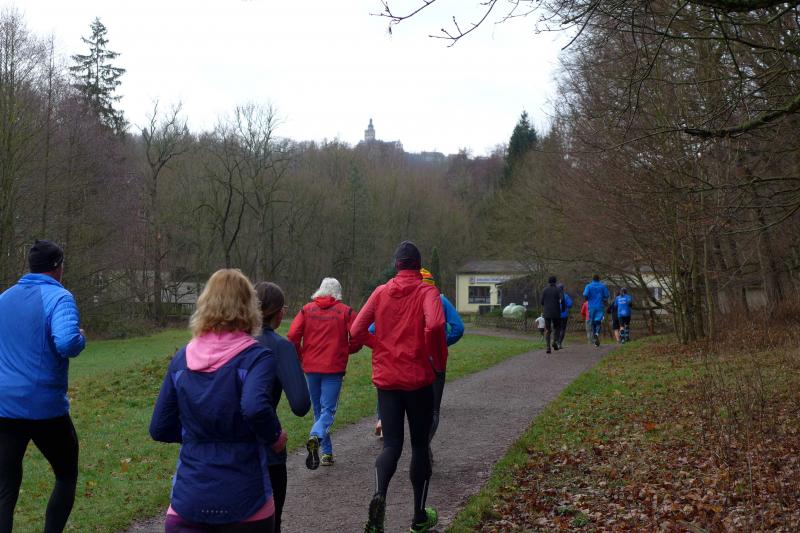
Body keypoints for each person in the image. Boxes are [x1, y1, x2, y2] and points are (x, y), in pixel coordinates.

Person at [150, 269, 285, 533]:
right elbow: (255, 407)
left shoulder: (182, 358)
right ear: (250, 307)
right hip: (246, 502)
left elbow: (159, 427)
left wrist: (199, 434)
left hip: (188, 502)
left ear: (204, 304)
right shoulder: (257, 358)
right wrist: (275, 438)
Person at [351, 241, 446, 533]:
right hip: (418, 380)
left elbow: (355, 330)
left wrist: (379, 344)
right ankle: (418, 517)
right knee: (419, 445)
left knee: (392, 445)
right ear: (418, 266)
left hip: (388, 381)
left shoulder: (380, 292)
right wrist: (434, 356)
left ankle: (379, 497)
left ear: (397, 265)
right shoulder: (427, 292)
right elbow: (436, 325)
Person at [0, 240, 86, 533]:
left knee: (5, 488)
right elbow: (67, 343)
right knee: (66, 475)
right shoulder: (59, 297)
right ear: (58, 267)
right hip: (45, 408)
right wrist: (80, 337)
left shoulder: (4, 298)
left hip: (4, 407)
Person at [254, 281, 311, 533]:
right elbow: (300, 404)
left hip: (221, 451)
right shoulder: (279, 347)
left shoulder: (226, 341)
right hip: (267, 449)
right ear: (278, 313)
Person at [288, 277, 362, 469]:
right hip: (333, 368)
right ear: (338, 293)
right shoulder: (345, 311)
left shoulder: (306, 310)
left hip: (311, 368)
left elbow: (293, 335)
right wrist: (347, 349)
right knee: (328, 411)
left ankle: (326, 452)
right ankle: (316, 437)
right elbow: (358, 334)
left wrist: (301, 356)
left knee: (318, 410)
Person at [420, 267, 464, 459]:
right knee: (433, 410)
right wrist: (442, 343)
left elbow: (373, 329)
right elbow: (458, 328)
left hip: (410, 360)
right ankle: (424, 445)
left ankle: (418, 446)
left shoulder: (405, 300)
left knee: (414, 408)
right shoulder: (440, 300)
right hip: (435, 361)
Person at [583, 274, 610, 347]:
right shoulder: (602, 286)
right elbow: (607, 295)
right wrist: (603, 299)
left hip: (591, 306)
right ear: (599, 279)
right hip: (600, 306)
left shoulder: (588, 286)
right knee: (598, 321)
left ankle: (595, 337)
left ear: (592, 279)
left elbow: (585, 295)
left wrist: (588, 299)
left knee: (592, 322)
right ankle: (597, 334)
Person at [539, 276, 564, 354]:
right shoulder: (558, 289)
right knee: (557, 328)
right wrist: (562, 308)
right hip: (556, 312)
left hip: (547, 313)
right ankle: (554, 341)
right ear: (555, 282)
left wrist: (546, 305)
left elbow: (541, 302)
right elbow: (562, 299)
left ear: (548, 282)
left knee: (548, 330)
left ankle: (548, 347)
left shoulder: (544, 290)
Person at [556, 284, 573, 349]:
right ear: (563, 289)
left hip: (556, 315)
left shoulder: (555, 296)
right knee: (562, 329)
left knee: (557, 328)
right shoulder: (565, 296)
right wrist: (566, 307)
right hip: (564, 315)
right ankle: (559, 343)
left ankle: (556, 341)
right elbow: (570, 304)